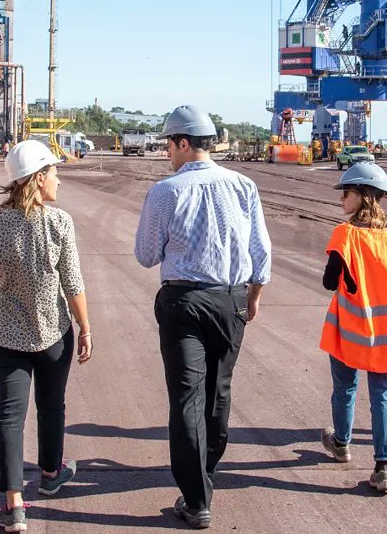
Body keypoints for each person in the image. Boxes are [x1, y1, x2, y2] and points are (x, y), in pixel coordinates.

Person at [134, 105, 271, 530]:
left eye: (168, 145)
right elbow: (261, 253)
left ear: (183, 143)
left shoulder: (165, 192)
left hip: (183, 303)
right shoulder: (244, 186)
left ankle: (196, 498)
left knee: (186, 398)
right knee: (218, 395)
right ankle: (205, 477)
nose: (167, 154)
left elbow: (145, 254)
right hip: (230, 300)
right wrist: (253, 298)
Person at [0, 140, 92, 534]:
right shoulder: (59, 222)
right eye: (54, 172)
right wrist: (86, 327)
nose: (58, 179)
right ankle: (50, 472)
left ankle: (14, 505)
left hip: (5, 338)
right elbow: (73, 283)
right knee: (52, 406)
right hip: (54, 333)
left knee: (9, 415)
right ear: (39, 180)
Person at [320, 162, 387, 493]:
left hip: (351, 330)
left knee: (345, 388)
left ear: (363, 196)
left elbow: (329, 282)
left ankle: (341, 444)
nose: (342, 201)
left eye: (346, 194)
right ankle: (383, 468)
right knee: (383, 396)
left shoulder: (346, 235)